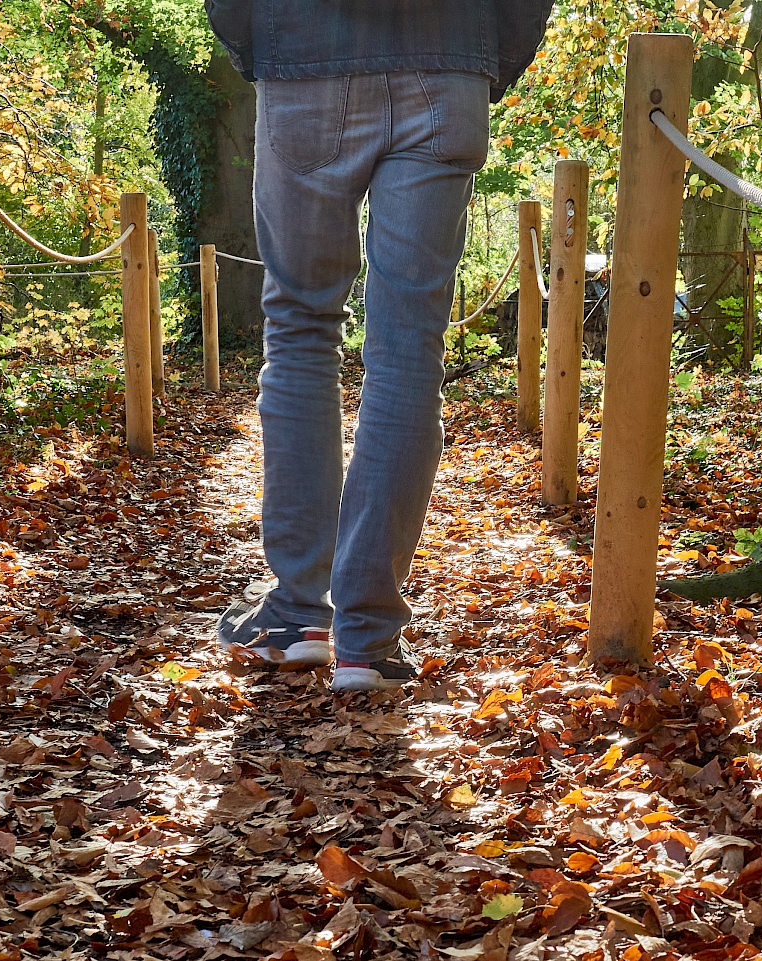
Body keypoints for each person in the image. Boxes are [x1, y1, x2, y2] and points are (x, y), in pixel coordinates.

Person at [206, 0, 554, 692]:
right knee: (407, 352)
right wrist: (481, 57)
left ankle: (300, 612)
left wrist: (265, 48)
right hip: (446, 60)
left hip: (301, 51)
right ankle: (367, 637)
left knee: (302, 327)